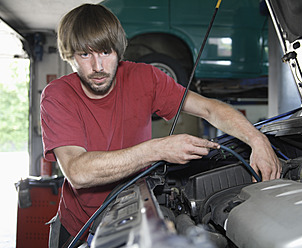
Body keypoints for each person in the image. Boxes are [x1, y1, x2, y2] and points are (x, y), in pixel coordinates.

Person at [40, 3, 281, 247]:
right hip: (79, 226)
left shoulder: (144, 78)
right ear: (69, 55)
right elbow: (78, 172)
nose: (98, 67)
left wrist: (257, 140)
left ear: (118, 51)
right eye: (85, 55)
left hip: (135, 211)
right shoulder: (58, 96)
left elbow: (209, 108)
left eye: (105, 52)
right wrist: (158, 149)